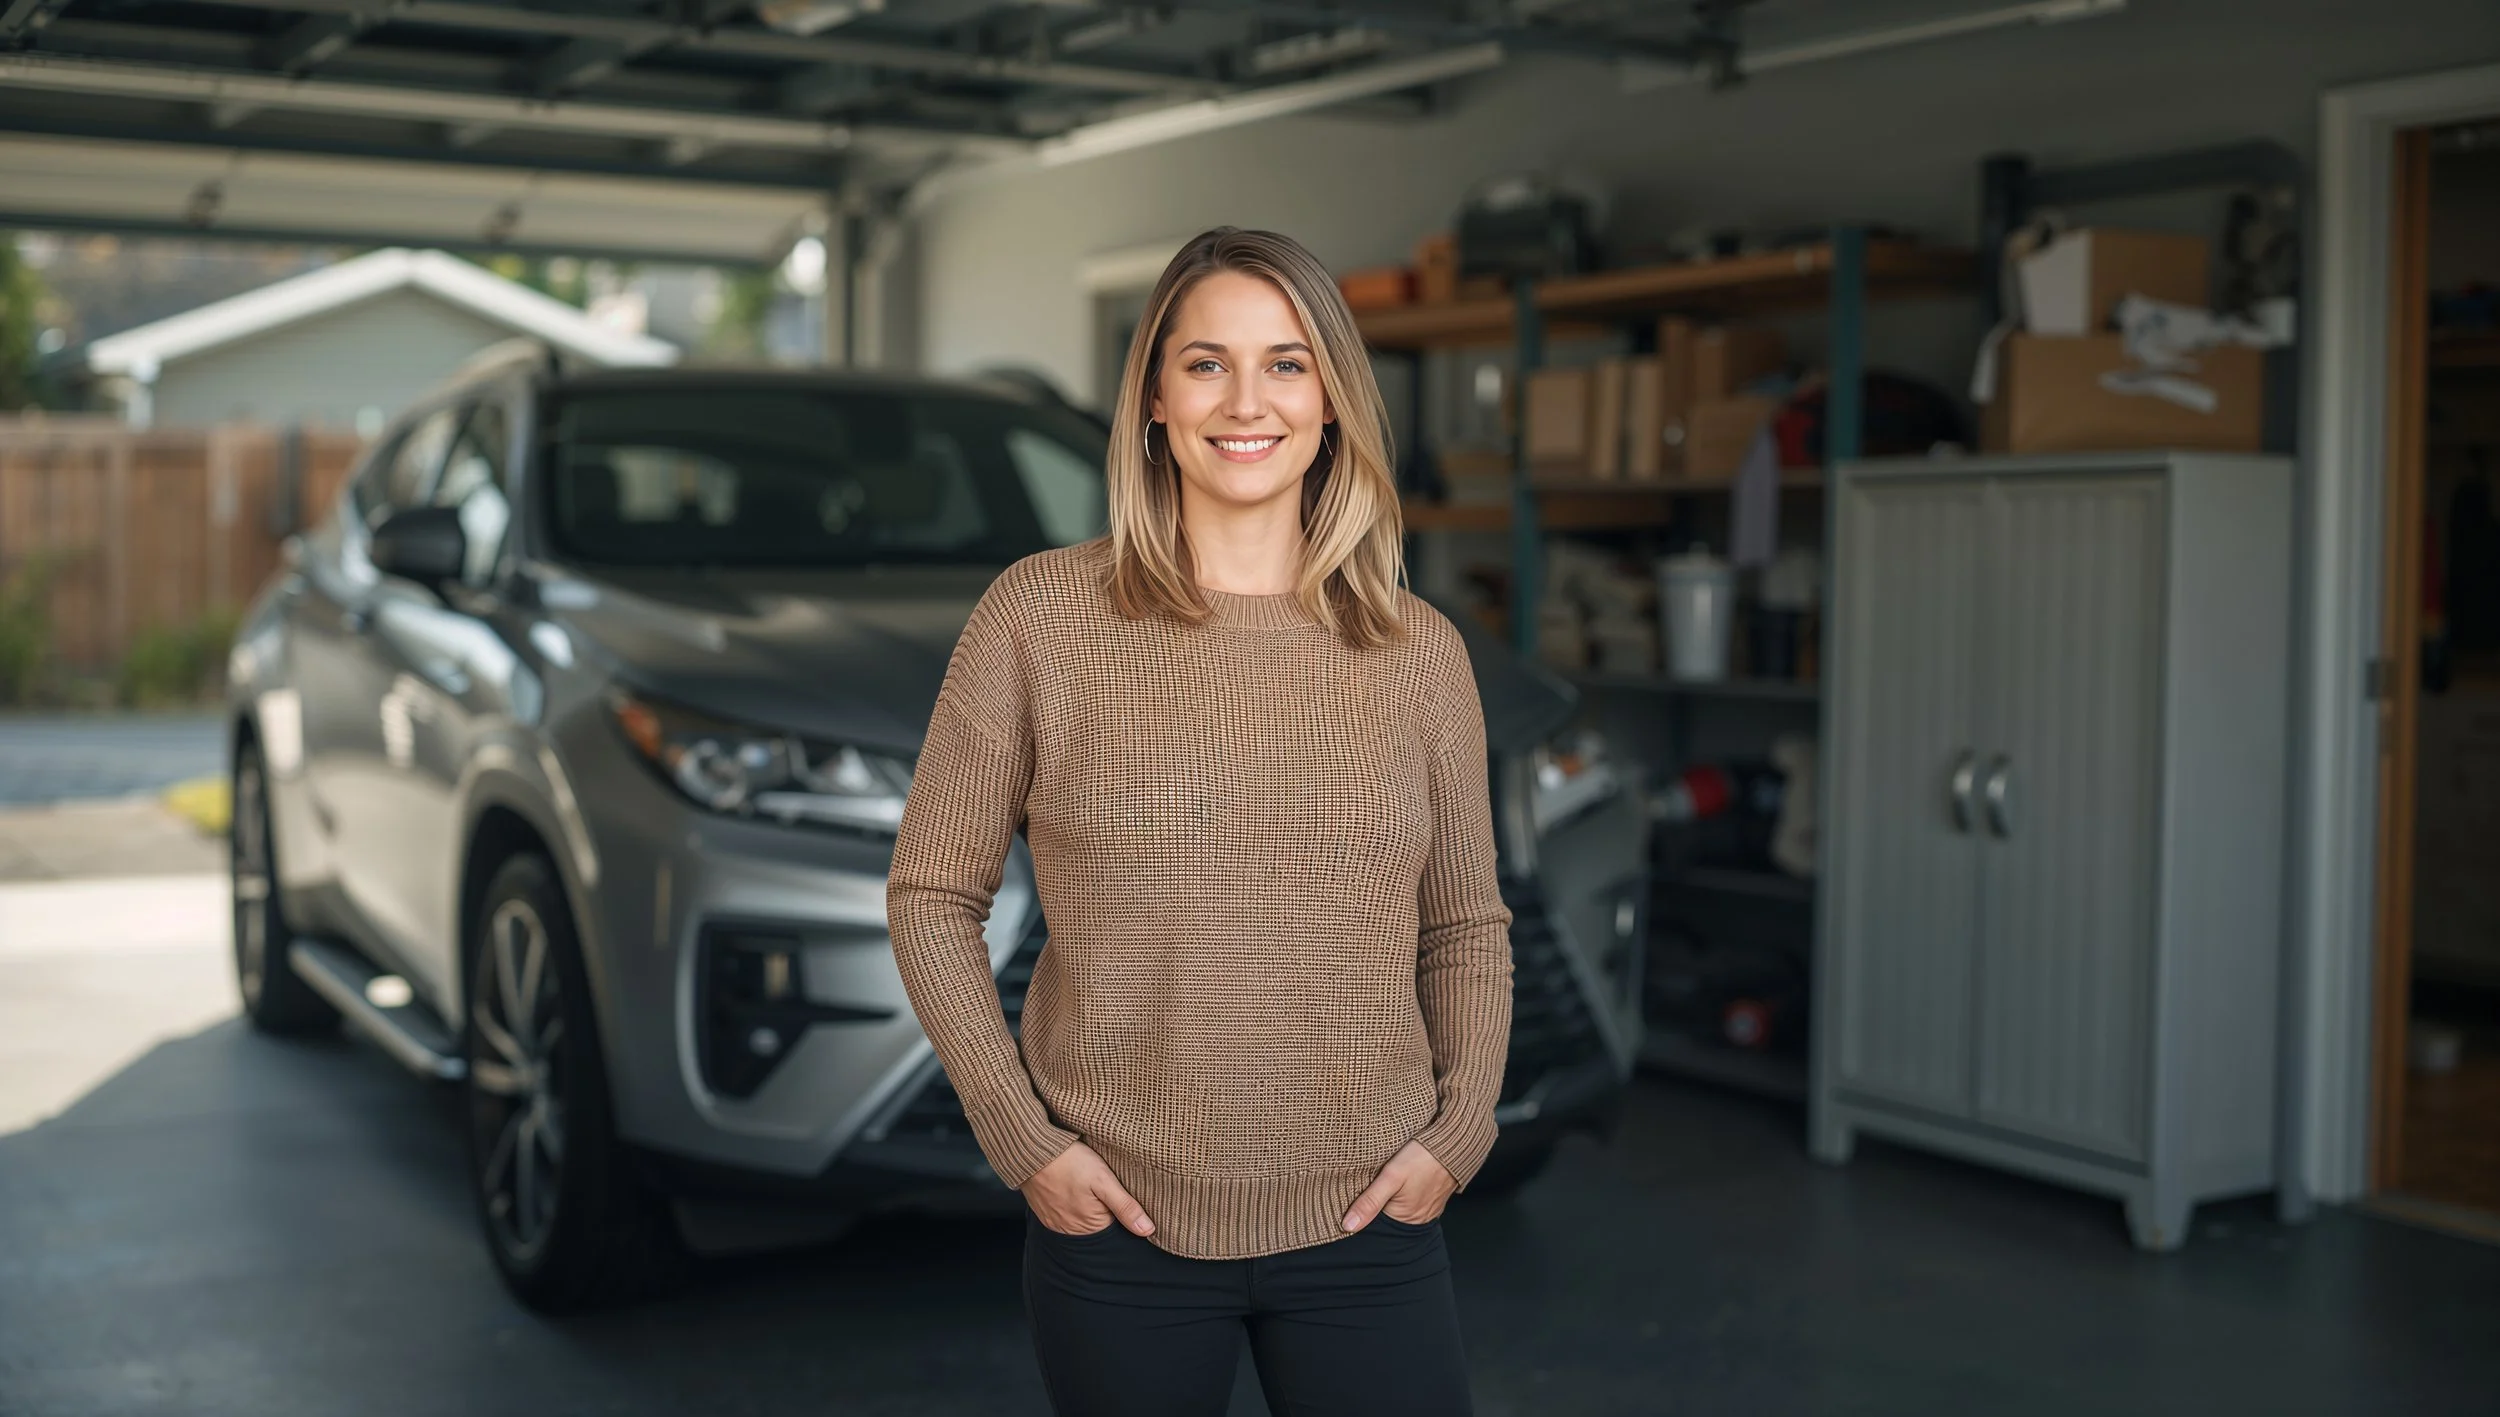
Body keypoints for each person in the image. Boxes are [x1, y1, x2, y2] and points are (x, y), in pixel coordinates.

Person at [885, 225, 1514, 1417]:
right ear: (1154, 400)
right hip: (1119, 1226)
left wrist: (1461, 1127)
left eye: (1286, 363)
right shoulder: (1038, 618)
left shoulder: (1416, 648)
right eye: (1206, 362)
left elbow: (1463, 926)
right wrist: (1024, 1139)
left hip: (1373, 1216)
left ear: (1332, 401)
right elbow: (929, 896)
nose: (1247, 400)